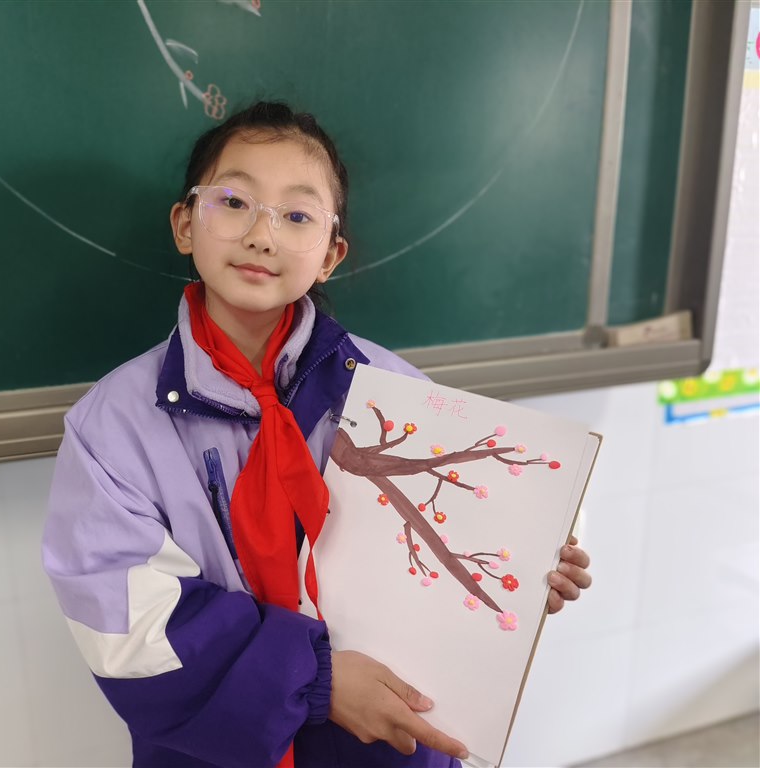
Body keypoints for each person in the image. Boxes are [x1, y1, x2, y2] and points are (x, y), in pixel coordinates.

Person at [42, 101, 592, 768]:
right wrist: (315, 681)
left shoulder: (394, 391)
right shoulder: (113, 425)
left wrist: (525, 573)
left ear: (331, 254)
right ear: (186, 223)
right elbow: (131, 630)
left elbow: (452, 551)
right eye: (234, 202)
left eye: (297, 215)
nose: (262, 235)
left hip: (387, 742)